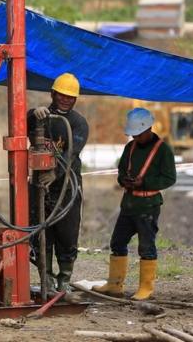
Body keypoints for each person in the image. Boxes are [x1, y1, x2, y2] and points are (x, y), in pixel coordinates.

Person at [93, 107, 176, 300]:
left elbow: (169, 178)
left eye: (138, 135)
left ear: (148, 129)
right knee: (117, 243)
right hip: (129, 204)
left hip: (148, 206)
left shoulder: (163, 150)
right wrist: (124, 180)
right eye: (133, 135)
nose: (135, 138)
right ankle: (115, 285)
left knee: (146, 247)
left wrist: (144, 183)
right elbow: (121, 171)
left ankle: (146, 288)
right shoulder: (129, 148)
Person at [28, 73, 89, 295]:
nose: (65, 100)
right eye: (61, 95)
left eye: (70, 97)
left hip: (67, 187)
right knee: (41, 231)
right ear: (52, 94)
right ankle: (46, 277)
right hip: (39, 186)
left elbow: (71, 152)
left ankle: (64, 279)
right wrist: (33, 114)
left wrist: (55, 173)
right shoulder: (41, 117)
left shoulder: (78, 123)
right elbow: (22, 123)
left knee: (67, 232)